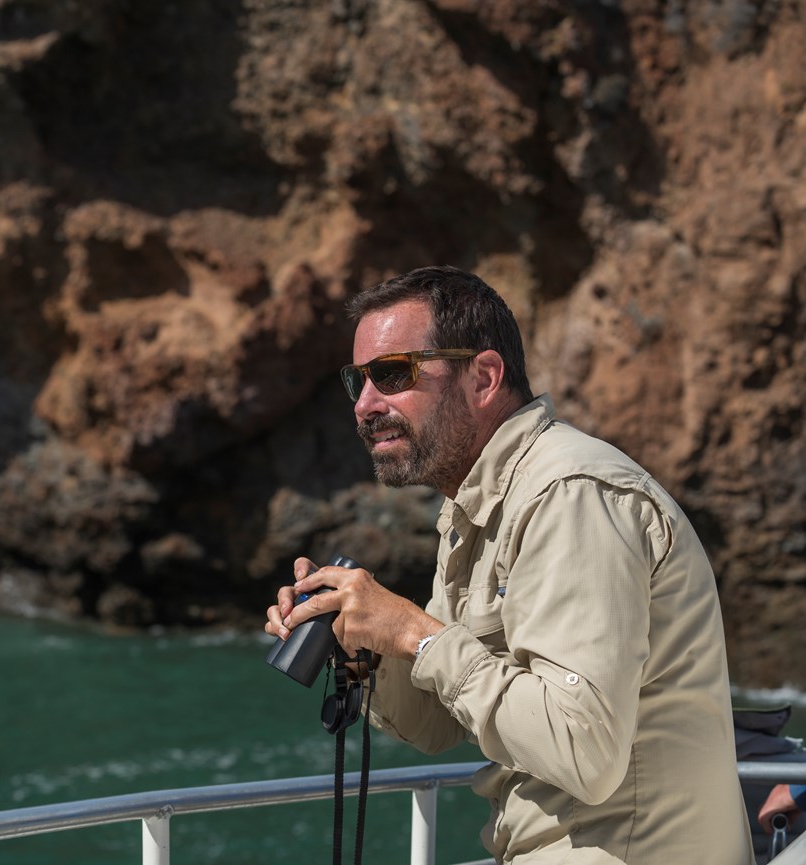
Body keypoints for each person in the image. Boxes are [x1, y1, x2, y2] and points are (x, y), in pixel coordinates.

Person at [265, 266, 754, 864]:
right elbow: (437, 724)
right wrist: (365, 645)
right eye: (357, 380)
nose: (366, 404)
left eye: (392, 374)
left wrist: (416, 633)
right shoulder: (480, 506)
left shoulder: (570, 494)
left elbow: (584, 751)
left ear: (485, 377)